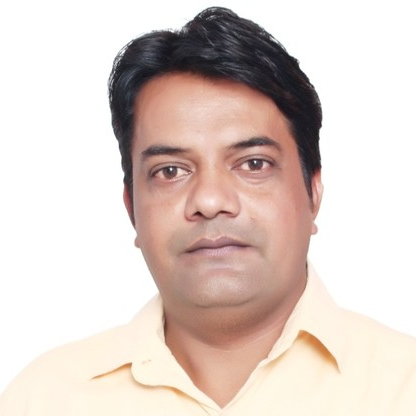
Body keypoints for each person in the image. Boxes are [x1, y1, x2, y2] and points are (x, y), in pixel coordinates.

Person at [1, 6, 415, 415]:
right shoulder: (43, 399)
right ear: (131, 209)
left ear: (313, 192)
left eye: (254, 164)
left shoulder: (403, 388)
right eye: (170, 171)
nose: (210, 201)